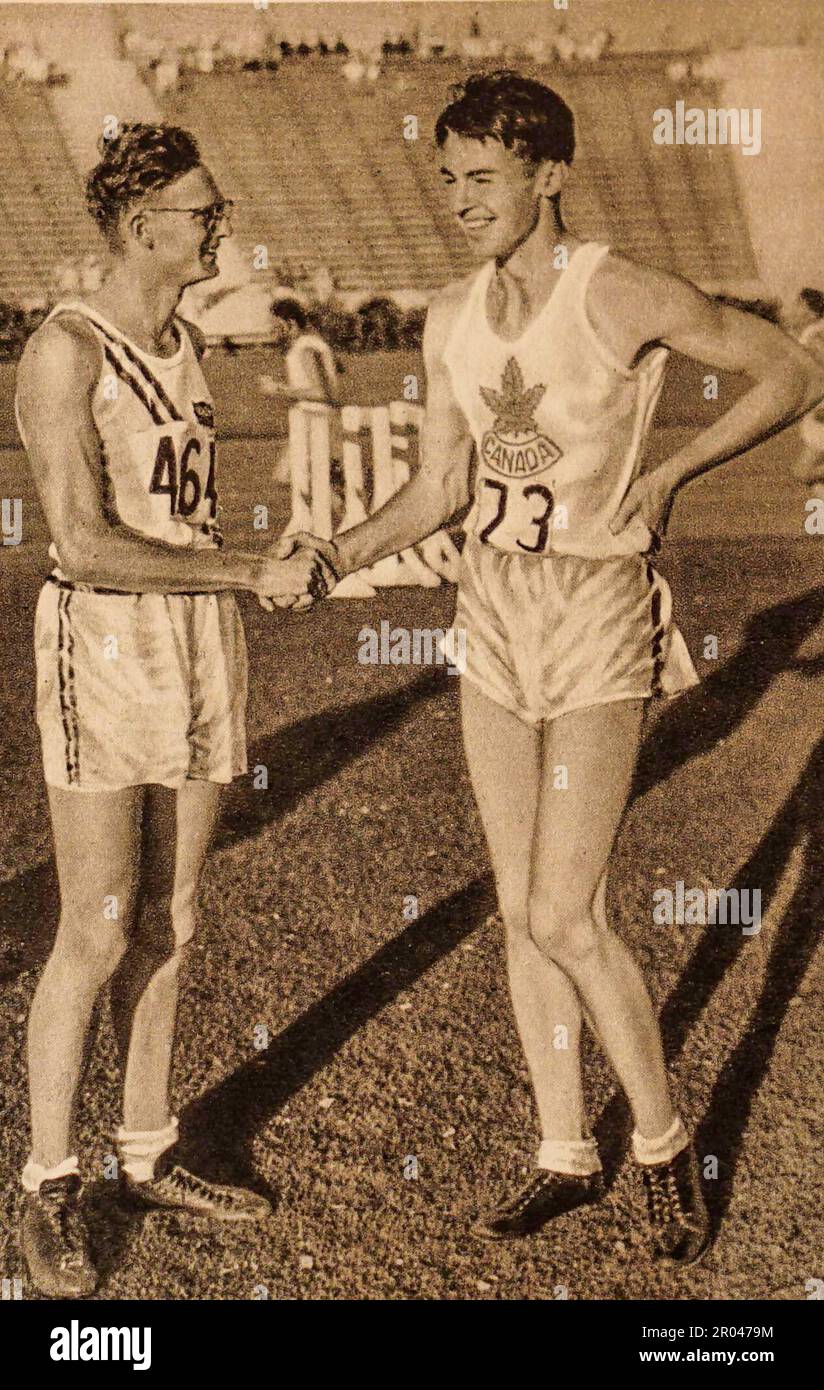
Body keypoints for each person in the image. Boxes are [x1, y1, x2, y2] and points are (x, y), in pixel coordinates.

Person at [281, 71, 824, 1264]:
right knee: (521, 907)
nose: (459, 202)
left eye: (483, 179)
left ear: (548, 176)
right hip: (492, 621)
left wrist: (671, 474)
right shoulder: (448, 312)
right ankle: (561, 1151)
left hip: (594, 617)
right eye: (448, 181)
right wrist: (330, 554)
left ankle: (663, 1141)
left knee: (565, 910)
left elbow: (791, 371)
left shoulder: (614, 289)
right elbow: (435, 489)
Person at [14, 122, 333, 1299]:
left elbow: (182, 520)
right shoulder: (64, 350)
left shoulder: (187, 338)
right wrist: (245, 570)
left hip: (198, 638)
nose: (220, 221)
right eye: (203, 210)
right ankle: (46, 1180)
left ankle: (145, 1150)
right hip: (104, 644)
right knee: (95, 924)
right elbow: (86, 540)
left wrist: (252, 566)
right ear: (144, 225)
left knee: (174, 912)